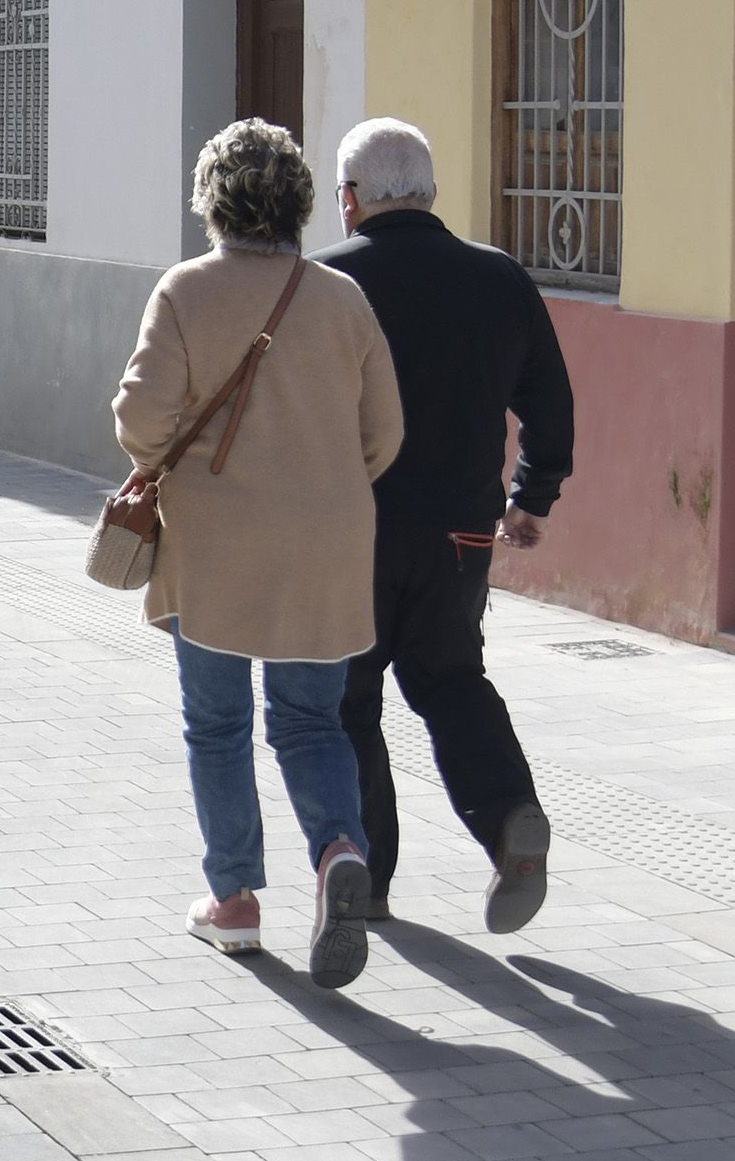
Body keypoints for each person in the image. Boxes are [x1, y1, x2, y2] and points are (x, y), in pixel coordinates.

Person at [111, 120, 403, 988]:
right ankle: (339, 850)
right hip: (326, 543)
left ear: (212, 201)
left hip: (215, 545)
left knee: (217, 723)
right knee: (312, 720)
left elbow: (140, 424)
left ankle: (233, 900)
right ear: (300, 202)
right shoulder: (342, 298)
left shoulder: (184, 291)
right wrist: (318, 485)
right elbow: (384, 434)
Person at [318, 119, 576, 935]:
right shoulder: (497, 277)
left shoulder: (326, 283)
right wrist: (531, 497)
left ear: (350, 198)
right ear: (429, 193)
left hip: (352, 530)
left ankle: (366, 877)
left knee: (348, 700)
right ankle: (508, 821)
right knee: (450, 681)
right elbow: (549, 399)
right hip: (460, 531)